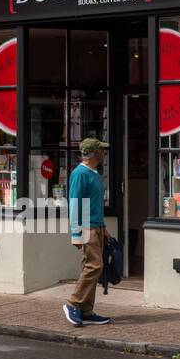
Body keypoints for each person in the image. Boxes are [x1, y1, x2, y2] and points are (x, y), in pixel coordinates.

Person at [64, 137, 111, 327]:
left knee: (89, 267)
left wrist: (103, 226)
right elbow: (75, 204)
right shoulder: (80, 174)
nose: (104, 154)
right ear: (94, 153)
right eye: (102, 151)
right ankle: (73, 303)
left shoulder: (94, 173)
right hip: (86, 227)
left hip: (96, 226)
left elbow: (94, 203)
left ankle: (86, 311)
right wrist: (75, 233)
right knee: (95, 266)